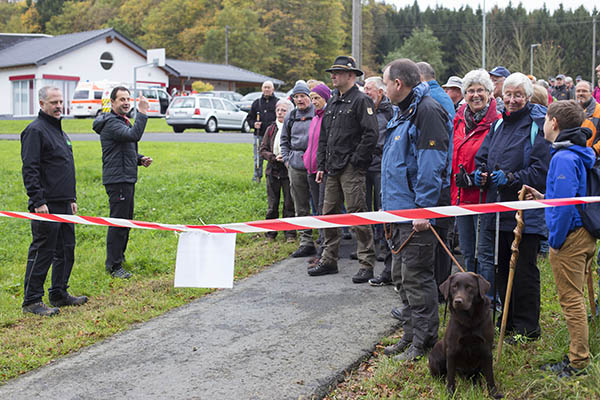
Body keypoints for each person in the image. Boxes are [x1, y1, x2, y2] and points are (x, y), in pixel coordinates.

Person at [380, 58, 451, 362]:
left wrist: (424, 209)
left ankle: (424, 343)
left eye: (385, 83)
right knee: (401, 278)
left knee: (418, 279)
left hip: (416, 217)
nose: (383, 89)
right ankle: (410, 335)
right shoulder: (403, 111)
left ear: (398, 84)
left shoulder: (427, 110)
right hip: (397, 213)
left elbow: (431, 166)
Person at [474, 72, 551, 342]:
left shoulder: (536, 126)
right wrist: (480, 175)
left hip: (525, 212)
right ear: (501, 96)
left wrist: (511, 178)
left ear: (528, 97)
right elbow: (483, 158)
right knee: (503, 268)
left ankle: (527, 328)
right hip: (498, 211)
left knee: (524, 270)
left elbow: (541, 170)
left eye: (518, 95)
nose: (512, 99)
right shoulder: (497, 126)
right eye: (508, 94)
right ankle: (507, 322)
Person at [524, 100, 596, 378]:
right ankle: (577, 355)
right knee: (574, 297)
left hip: (571, 237)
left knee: (571, 300)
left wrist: (555, 239)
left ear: (553, 122)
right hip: (582, 233)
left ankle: (578, 362)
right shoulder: (574, 152)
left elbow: (566, 206)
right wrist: (544, 198)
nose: (543, 124)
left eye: (545, 119)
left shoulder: (563, 158)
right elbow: (568, 195)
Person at [20, 86, 88, 316]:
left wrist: (71, 198)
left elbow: (64, 167)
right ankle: (32, 301)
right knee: (43, 251)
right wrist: (38, 201)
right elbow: (30, 169)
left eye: (61, 102)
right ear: (41, 104)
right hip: (45, 204)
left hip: (64, 203)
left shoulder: (59, 131)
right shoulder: (35, 131)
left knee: (66, 249)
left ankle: (59, 292)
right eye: (53, 102)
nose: (59, 106)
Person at [310, 55, 378, 284]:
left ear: (351, 75)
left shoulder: (361, 101)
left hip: (350, 168)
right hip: (331, 168)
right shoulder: (333, 102)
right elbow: (324, 137)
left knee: (358, 214)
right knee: (328, 215)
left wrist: (356, 162)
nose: (332, 76)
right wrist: (321, 165)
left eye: (337, 73)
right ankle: (329, 259)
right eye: (332, 73)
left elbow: (371, 135)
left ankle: (366, 264)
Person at [93, 86, 153, 279]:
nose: (126, 102)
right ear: (112, 103)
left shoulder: (121, 121)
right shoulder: (111, 122)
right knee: (118, 223)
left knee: (126, 222)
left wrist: (139, 159)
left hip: (126, 177)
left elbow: (123, 148)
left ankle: (119, 259)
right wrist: (142, 112)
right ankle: (113, 266)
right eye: (121, 99)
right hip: (117, 180)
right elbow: (133, 135)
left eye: (128, 99)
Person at [451, 70, 499, 301]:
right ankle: (469, 301)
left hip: (483, 197)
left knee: (485, 254)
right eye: (470, 90)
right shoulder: (458, 120)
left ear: (490, 93)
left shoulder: (497, 122)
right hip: (460, 196)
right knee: (468, 254)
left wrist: (480, 176)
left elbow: (499, 157)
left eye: (480, 90)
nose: (475, 95)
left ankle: (489, 303)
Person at [280, 81, 317, 258]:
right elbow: (284, 140)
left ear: (309, 97)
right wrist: (287, 160)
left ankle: (325, 240)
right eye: (297, 97)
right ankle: (306, 241)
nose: (300, 100)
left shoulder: (317, 113)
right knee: (300, 205)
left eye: (303, 96)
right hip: (295, 164)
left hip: (315, 165)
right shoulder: (291, 115)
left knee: (320, 204)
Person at [362, 76, 394, 283]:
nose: (365, 92)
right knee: (365, 207)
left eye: (369, 89)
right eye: (364, 88)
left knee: (382, 206)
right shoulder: (363, 109)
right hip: (365, 164)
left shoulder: (390, 111)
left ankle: (384, 245)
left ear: (380, 92)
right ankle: (367, 247)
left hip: (382, 165)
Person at [260, 99, 296, 242]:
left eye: (283, 110)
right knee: (272, 204)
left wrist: (286, 157)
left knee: (289, 203)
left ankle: (290, 234)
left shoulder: (292, 127)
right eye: (278, 110)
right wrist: (273, 157)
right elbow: (262, 149)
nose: (280, 113)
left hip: (287, 170)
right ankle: (270, 233)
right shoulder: (271, 129)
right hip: (272, 171)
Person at [304, 83, 331, 259]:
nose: (314, 102)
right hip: (310, 169)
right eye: (312, 98)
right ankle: (321, 246)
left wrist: (323, 165)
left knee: (323, 209)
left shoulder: (328, 118)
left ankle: (323, 250)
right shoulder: (314, 118)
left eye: (317, 98)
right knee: (315, 209)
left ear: (326, 98)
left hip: (324, 170)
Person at [247, 81, 278, 183]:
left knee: (274, 156)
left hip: (273, 135)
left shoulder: (277, 103)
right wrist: (254, 124)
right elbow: (249, 118)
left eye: (269, 87)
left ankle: (274, 176)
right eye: (265, 87)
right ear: (262, 89)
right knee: (258, 157)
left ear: (273, 89)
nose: (267, 89)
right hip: (259, 134)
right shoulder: (257, 103)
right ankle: (257, 177)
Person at [575, 80, 600, 156]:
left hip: (594, 160)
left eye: (584, 91)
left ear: (591, 93)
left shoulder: (598, 110)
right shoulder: (570, 109)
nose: (581, 93)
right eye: (578, 91)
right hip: (573, 156)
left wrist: (594, 150)